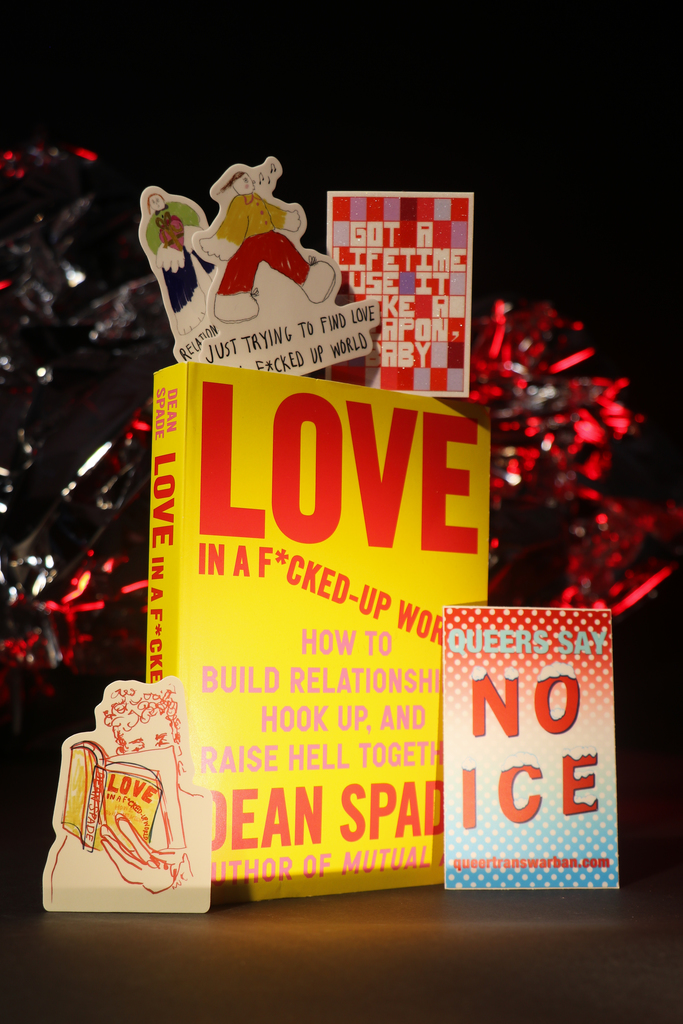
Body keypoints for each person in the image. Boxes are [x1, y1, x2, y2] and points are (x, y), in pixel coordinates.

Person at [44, 679, 210, 911]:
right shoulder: (93, 826)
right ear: (121, 753)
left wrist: (173, 881)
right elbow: (57, 892)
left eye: (162, 741)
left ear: (177, 740)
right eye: (137, 746)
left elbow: (198, 891)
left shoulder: (200, 807)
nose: (154, 753)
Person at [200, 170, 335, 323]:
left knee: (285, 249)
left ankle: (309, 279)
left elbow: (272, 212)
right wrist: (220, 242)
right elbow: (230, 225)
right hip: (251, 243)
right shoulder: (238, 203)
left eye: (248, 179)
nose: (248, 182)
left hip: (270, 238)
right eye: (243, 181)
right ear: (235, 186)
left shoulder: (257, 198)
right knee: (241, 264)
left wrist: (287, 219)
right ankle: (233, 296)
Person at [145, 192, 214, 335]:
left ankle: (222, 293)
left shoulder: (177, 206)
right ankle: (187, 313)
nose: (156, 204)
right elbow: (151, 241)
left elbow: (193, 217)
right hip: (172, 254)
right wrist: (165, 249)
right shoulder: (150, 224)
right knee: (175, 273)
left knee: (208, 263)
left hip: (192, 241)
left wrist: (190, 232)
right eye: (153, 203)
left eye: (157, 200)